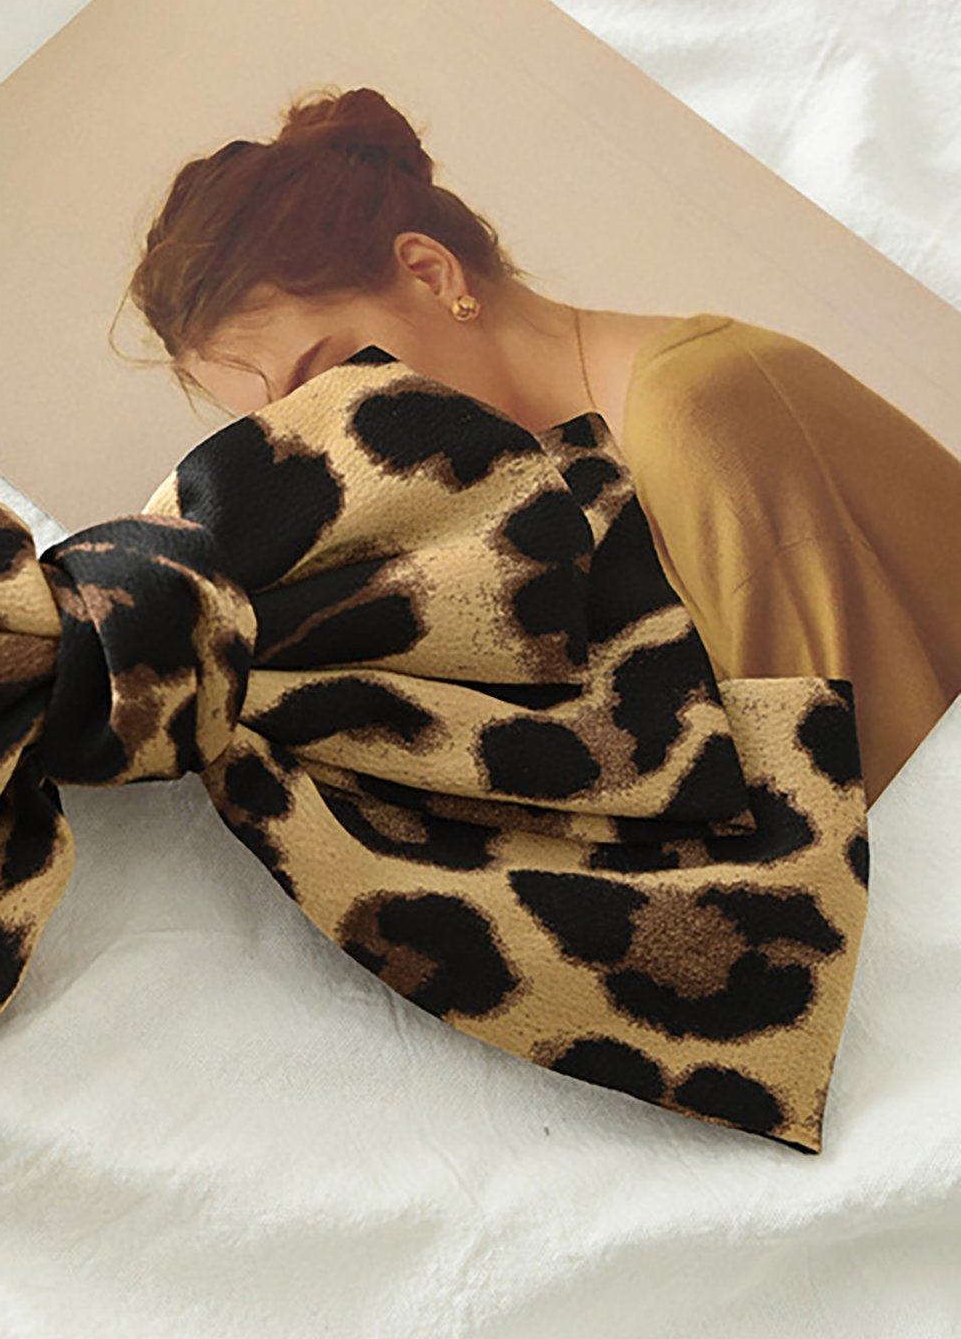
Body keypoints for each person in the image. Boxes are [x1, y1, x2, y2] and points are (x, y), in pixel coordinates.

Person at [119, 85, 961, 805]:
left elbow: (855, 806)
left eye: (331, 375)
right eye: (294, 427)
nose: (339, 436)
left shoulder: (696, 409)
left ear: (432, 273)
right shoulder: (554, 494)